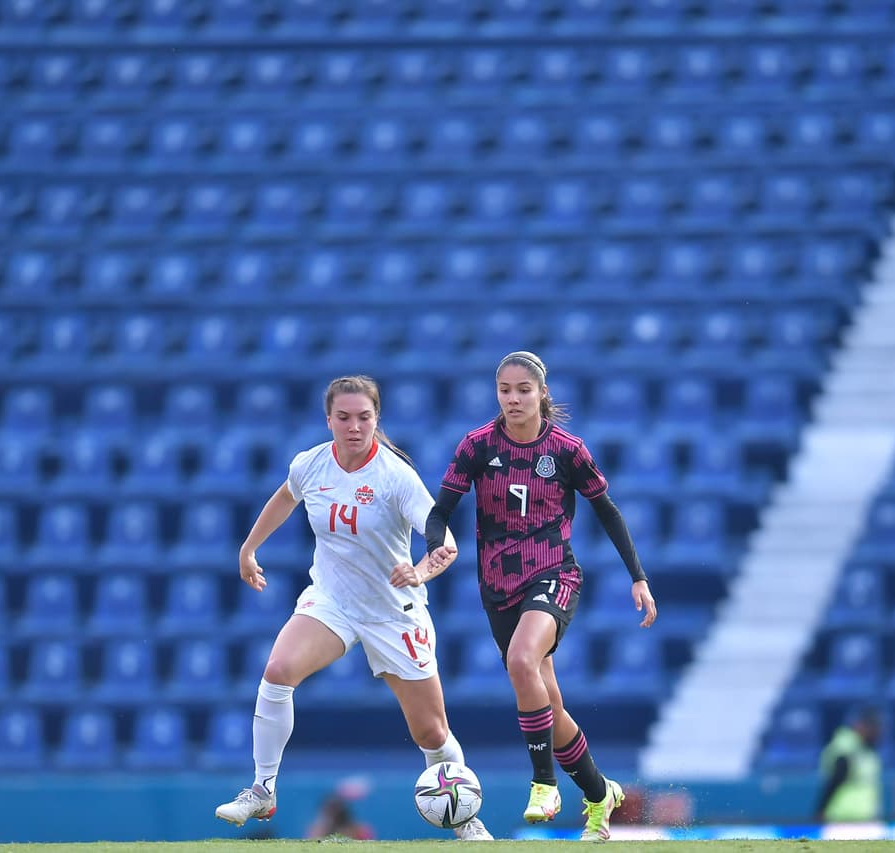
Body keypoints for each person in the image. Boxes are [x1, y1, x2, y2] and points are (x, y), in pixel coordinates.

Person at [214, 375, 494, 841]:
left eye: (364, 417)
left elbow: (444, 541)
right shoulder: (311, 465)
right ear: (329, 420)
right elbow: (286, 496)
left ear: (376, 419)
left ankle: (465, 818)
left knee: (431, 732)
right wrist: (248, 548)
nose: (354, 426)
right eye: (343, 417)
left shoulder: (394, 476)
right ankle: (262, 789)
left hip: (393, 609)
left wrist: (420, 571)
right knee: (279, 670)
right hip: (332, 600)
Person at [424, 351, 658, 843]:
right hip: (497, 587)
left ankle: (544, 784)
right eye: (505, 390)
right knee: (545, 700)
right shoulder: (476, 446)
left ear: (542, 394)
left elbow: (609, 513)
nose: (513, 398)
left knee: (522, 659)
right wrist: (435, 546)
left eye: (523, 390)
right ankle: (600, 795)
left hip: (554, 574)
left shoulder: (568, 450)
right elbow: (439, 510)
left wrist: (637, 576)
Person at [814, 706, 883, 823]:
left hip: (865, 817)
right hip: (844, 817)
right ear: (859, 725)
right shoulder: (847, 747)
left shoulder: (866, 748)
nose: (875, 732)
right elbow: (835, 780)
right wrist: (821, 810)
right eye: (871, 727)